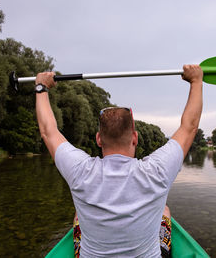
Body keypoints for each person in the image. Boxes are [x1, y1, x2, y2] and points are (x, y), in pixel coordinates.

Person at [35, 65, 203, 257]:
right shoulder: (157, 170)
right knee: (164, 210)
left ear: (98, 139)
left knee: (77, 216)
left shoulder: (80, 170)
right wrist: (196, 81)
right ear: (135, 138)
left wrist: (41, 88)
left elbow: (48, 131)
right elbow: (189, 127)